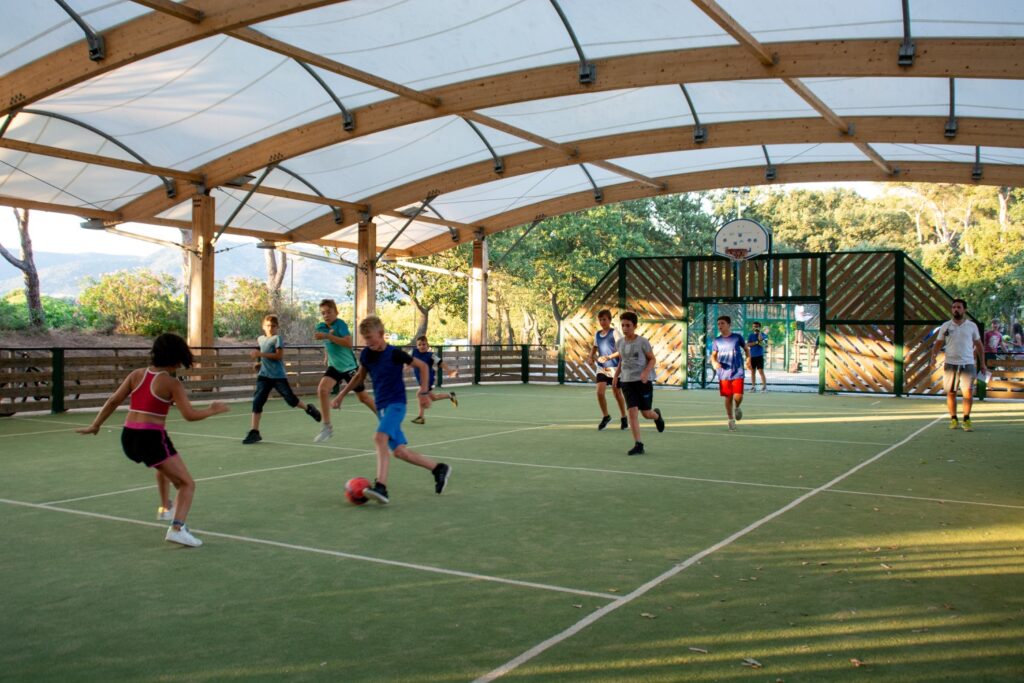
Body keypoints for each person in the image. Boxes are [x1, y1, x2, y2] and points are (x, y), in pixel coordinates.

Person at [76, 333, 229, 547]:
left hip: (128, 437)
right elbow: (189, 415)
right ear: (177, 358)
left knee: (161, 465)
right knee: (187, 484)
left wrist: (95, 425)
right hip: (151, 438)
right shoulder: (172, 383)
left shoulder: (136, 374)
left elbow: (113, 401)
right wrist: (212, 410)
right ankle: (177, 528)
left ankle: (165, 508)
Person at [333, 316, 451, 504]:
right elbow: (358, 377)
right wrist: (341, 395)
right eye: (364, 338)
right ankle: (438, 468)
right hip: (381, 407)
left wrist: (424, 391)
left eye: (370, 337)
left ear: (381, 334)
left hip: (396, 404)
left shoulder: (395, 353)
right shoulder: (366, 355)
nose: (367, 342)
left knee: (379, 437)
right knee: (399, 452)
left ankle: (381, 487)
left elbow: (421, 366)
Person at [243, 314, 322, 444]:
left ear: (277, 327)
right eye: (268, 325)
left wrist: (260, 355)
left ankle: (308, 408)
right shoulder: (260, 339)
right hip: (264, 376)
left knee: (291, 400)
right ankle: (254, 431)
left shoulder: (277, 338)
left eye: (273, 326)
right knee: (257, 401)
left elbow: (278, 355)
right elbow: (261, 354)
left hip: (278, 376)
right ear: (263, 326)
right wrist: (259, 363)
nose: (270, 328)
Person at [313, 299, 375, 442]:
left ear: (336, 312)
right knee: (322, 389)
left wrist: (328, 336)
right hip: (334, 366)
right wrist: (327, 355)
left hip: (349, 366)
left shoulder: (340, 324)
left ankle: (384, 421)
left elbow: (348, 343)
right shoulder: (321, 326)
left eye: (329, 312)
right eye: (323, 313)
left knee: (363, 398)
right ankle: (327, 427)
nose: (326, 315)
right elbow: (328, 344)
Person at [930, 298, 988, 432]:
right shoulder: (946, 326)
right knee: (951, 392)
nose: (956, 309)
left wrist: (983, 364)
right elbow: (938, 343)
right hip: (950, 364)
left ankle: (966, 419)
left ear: (964, 310)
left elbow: (979, 345)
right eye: (954, 307)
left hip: (968, 364)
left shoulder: (972, 326)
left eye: (959, 307)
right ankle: (953, 419)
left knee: (968, 392)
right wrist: (933, 357)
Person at [611, 311, 664, 456]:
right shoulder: (619, 343)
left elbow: (652, 359)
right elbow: (622, 360)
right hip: (627, 381)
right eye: (623, 325)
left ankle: (657, 416)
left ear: (635, 326)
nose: (625, 328)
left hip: (642, 382)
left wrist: (646, 372)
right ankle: (638, 444)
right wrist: (616, 376)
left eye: (628, 325)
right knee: (632, 412)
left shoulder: (643, 342)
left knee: (646, 413)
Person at [588, 309, 628, 430]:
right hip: (602, 368)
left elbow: (622, 349)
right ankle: (606, 416)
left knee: (617, 393)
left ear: (609, 320)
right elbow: (594, 348)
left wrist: (609, 357)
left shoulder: (615, 332)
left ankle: (624, 417)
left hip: (615, 368)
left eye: (604, 319)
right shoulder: (597, 334)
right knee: (599, 393)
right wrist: (590, 357)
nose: (602, 322)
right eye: (600, 320)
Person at [410, 335, 458, 424]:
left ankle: (421, 417)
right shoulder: (413, 352)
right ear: (417, 346)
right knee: (433, 397)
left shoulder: (431, 355)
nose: (422, 346)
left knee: (420, 394)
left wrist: (449, 371)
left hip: (428, 379)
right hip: (421, 380)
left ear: (428, 346)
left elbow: (441, 362)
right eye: (419, 344)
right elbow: (405, 358)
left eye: (424, 344)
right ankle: (450, 395)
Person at [711, 315, 748, 431]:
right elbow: (713, 356)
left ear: (729, 324)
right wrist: (714, 363)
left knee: (738, 395)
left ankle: (737, 407)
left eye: (722, 323)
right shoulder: (717, 340)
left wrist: (748, 360)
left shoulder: (737, 337)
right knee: (728, 396)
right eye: (718, 324)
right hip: (724, 373)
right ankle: (731, 419)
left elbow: (746, 349)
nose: (720, 326)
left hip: (738, 370)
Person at [746, 321, 768, 392]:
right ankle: (753, 387)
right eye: (754, 326)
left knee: (761, 371)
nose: (755, 328)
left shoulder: (763, 335)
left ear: (759, 327)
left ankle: (764, 387)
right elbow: (748, 344)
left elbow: (762, 343)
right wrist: (756, 342)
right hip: (752, 356)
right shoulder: (750, 335)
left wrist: (759, 333)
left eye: (757, 326)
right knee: (752, 372)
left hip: (759, 356)